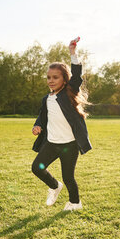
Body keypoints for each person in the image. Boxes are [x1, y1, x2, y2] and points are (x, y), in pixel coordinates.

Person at [31, 37, 92, 211]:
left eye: (55, 77)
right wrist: (37, 126)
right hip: (51, 144)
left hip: (69, 145)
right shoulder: (47, 99)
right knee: (37, 168)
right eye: (48, 77)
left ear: (64, 80)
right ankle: (54, 186)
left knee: (69, 177)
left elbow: (77, 75)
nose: (51, 80)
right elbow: (42, 117)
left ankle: (75, 203)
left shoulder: (68, 93)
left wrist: (73, 53)